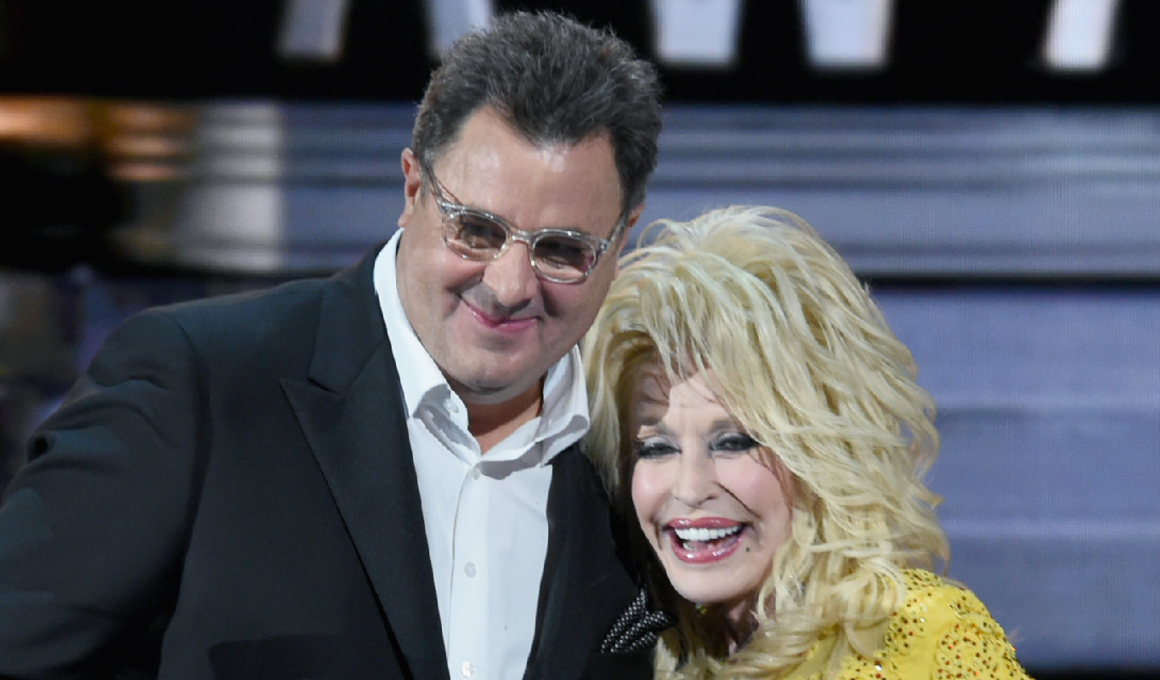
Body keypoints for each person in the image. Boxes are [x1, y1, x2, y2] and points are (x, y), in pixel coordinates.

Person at [0, 12, 662, 680]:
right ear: (412, 189)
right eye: (476, 231)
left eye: (562, 250)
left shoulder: (651, 456)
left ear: (622, 238)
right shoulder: (199, 383)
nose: (509, 286)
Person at [582, 206, 1033, 680]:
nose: (690, 489)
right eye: (657, 448)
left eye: (733, 442)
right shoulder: (649, 661)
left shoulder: (917, 638)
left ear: (821, 452)